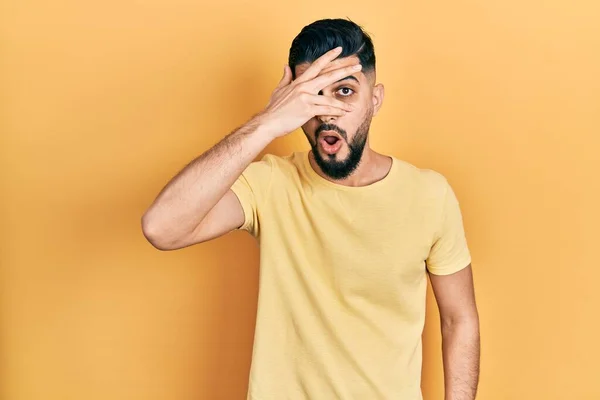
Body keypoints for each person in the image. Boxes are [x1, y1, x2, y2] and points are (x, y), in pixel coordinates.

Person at [142, 18, 480, 400]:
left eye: (345, 91)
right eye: (312, 96)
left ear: (375, 98)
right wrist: (267, 123)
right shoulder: (270, 184)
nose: (328, 113)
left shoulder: (429, 195)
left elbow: (458, 319)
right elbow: (162, 227)